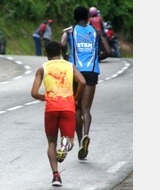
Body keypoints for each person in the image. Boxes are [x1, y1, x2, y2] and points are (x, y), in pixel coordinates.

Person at [31, 41, 86, 186]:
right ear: (61, 52)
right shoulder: (70, 66)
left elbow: (34, 93)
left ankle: (56, 176)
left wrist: (43, 97)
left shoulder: (42, 68)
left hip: (51, 108)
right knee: (69, 141)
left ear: (46, 54)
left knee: (51, 142)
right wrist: (76, 99)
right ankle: (64, 147)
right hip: (68, 107)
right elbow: (83, 82)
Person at [61, 6, 111, 160]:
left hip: (75, 72)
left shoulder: (69, 31)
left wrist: (65, 56)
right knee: (86, 109)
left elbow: (62, 44)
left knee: (76, 108)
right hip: (91, 72)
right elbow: (108, 51)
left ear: (74, 17)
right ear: (88, 17)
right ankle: (86, 136)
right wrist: (96, 58)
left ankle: (80, 138)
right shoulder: (96, 32)